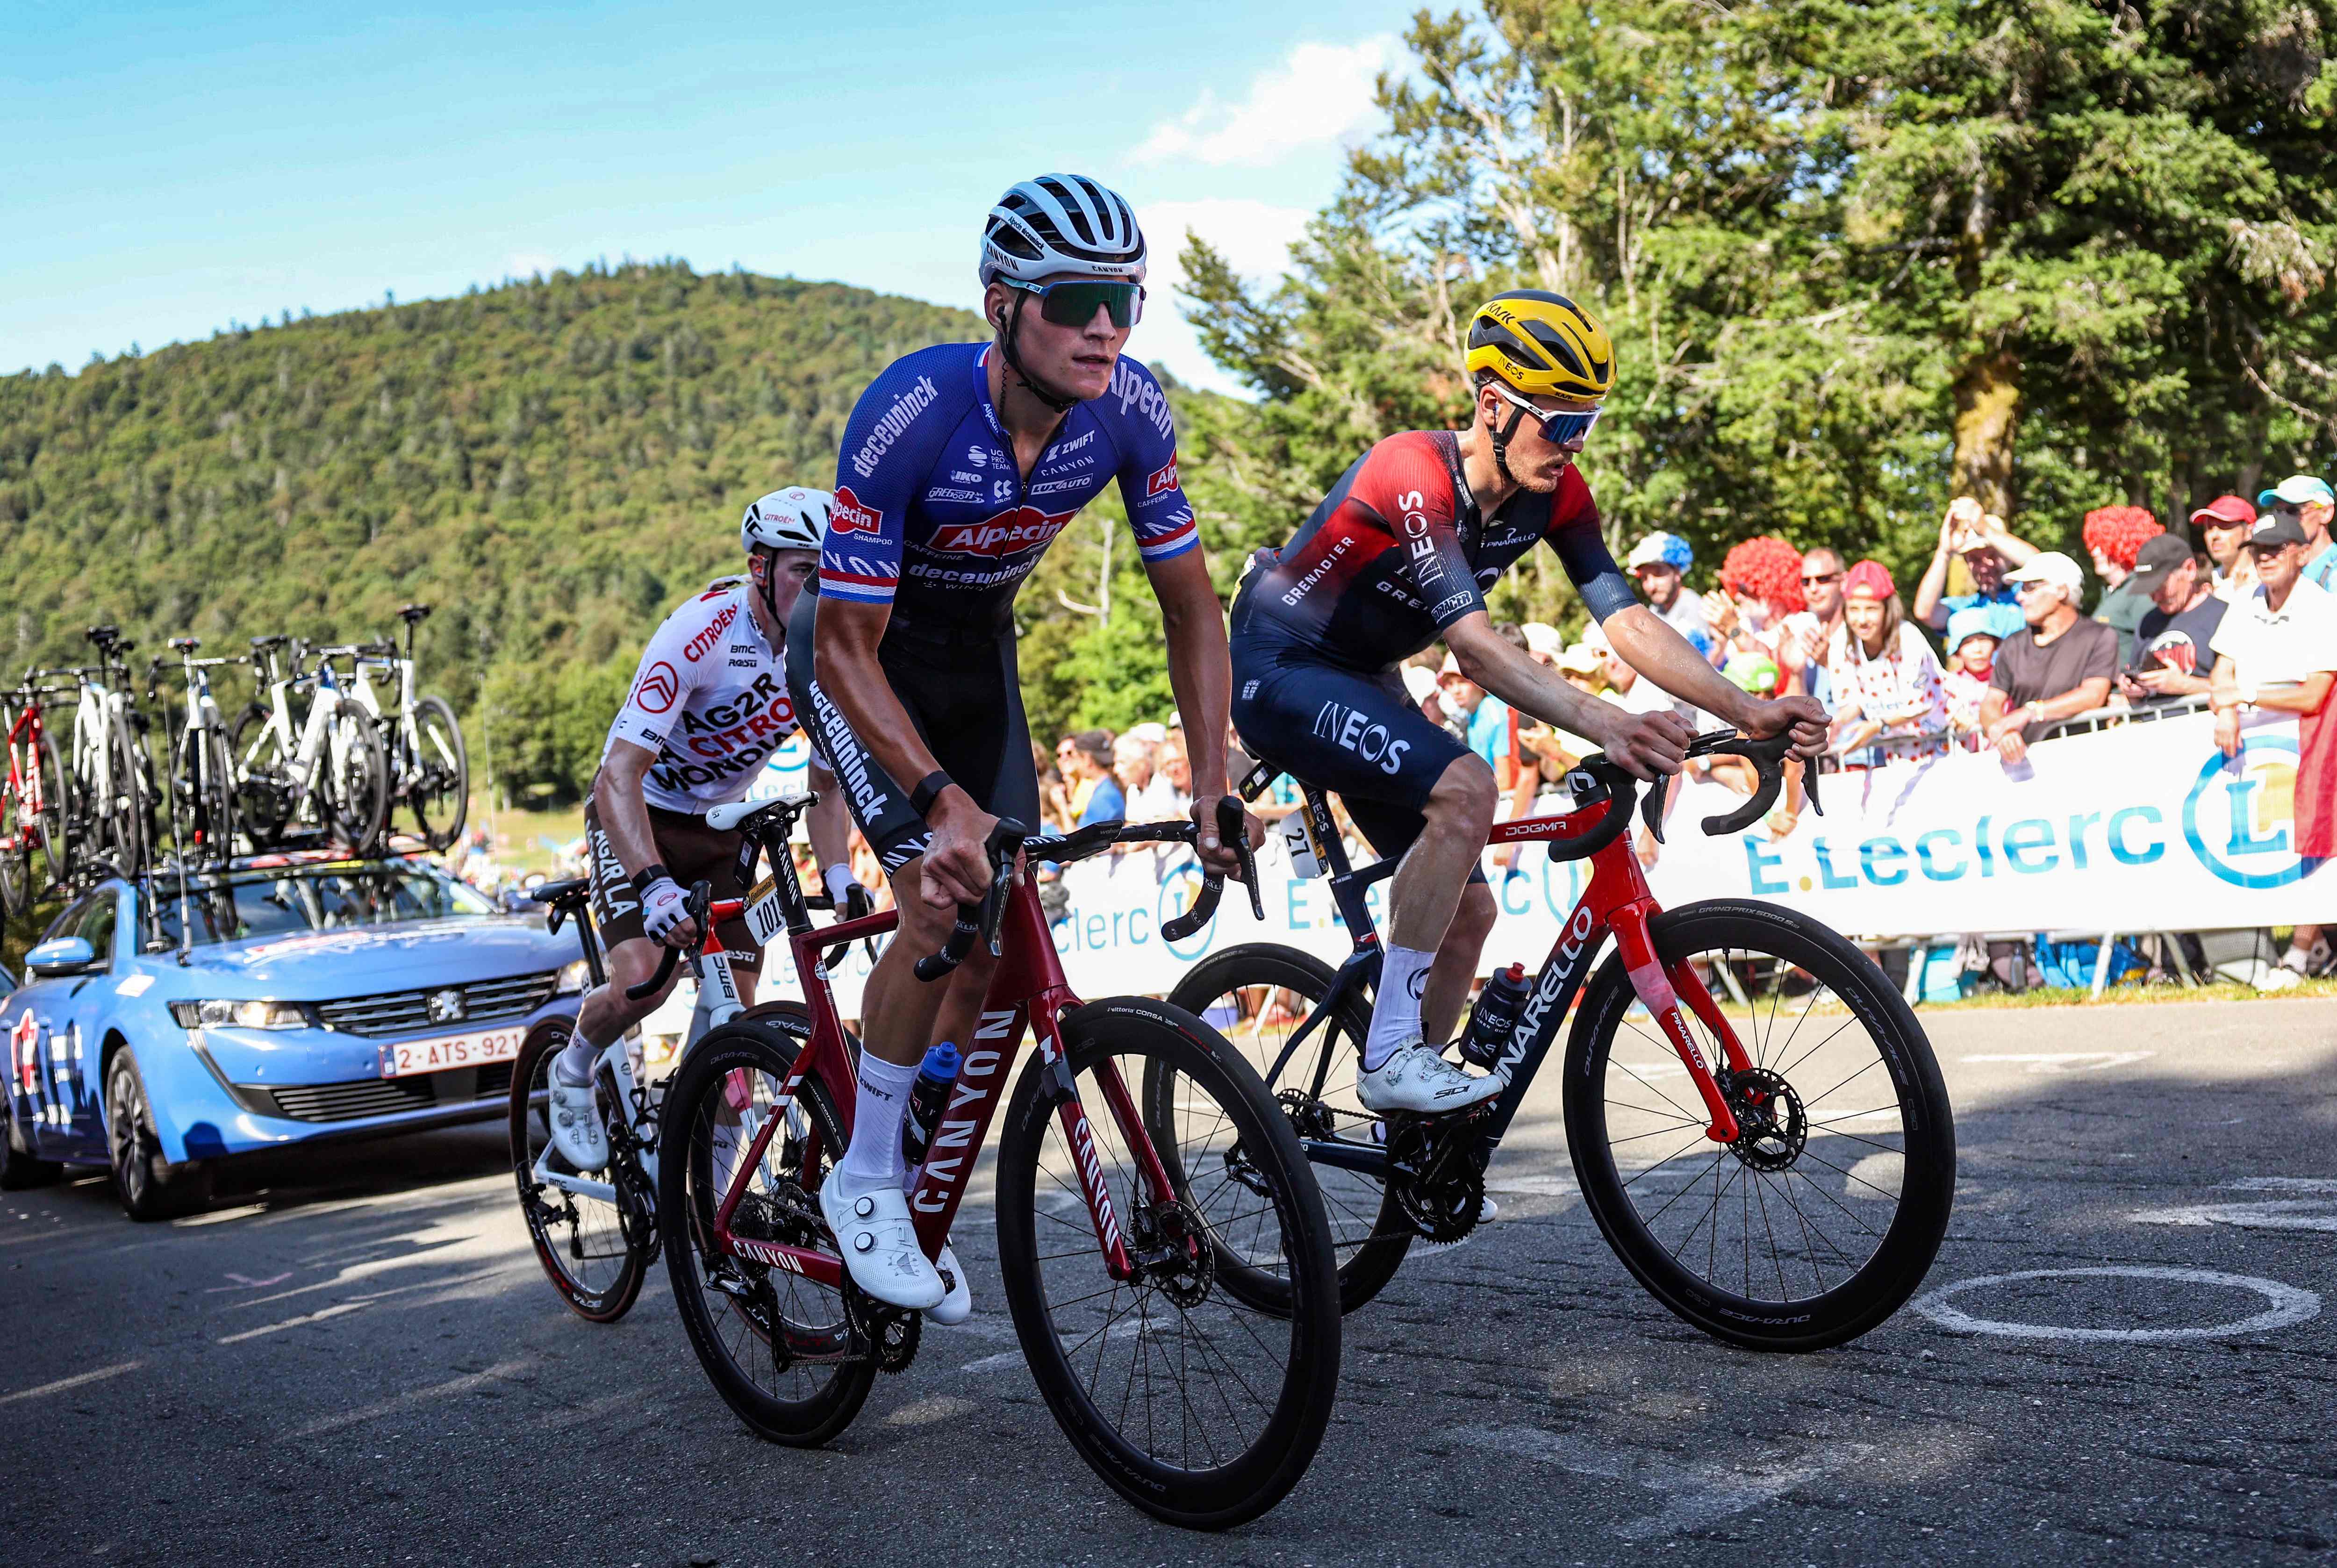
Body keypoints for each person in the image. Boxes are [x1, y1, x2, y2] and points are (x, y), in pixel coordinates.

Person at [785, 173, 1253, 1314]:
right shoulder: (913, 411)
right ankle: (865, 1175)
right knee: (937, 896)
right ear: (1002, 304)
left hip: (976, 654)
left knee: (1000, 927)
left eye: (1127, 300)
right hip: (861, 658)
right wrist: (935, 800)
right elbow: (845, 649)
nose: (1105, 324)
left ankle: (914, 1095)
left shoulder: (1132, 412)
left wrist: (1210, 777)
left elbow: (1191, 608)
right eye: (1077, 297)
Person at [1227, 289, 1824, 1114]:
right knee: (1469, 786)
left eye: (1588, 422)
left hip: (1367, 674)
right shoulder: (1410, 470)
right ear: (1494, 407)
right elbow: (1471, 647)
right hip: (1280, 665)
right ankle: (1390, 1054)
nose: (1575, 443)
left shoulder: (1558, 493)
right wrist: (1606, 720)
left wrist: (1749, 707)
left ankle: (1416, 1133)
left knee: (1470, 916)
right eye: (1560, 422)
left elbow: (1626, 619)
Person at [548, 487, 857, 1170]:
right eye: (804, 570)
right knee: (645, 980)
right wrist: (653, 886)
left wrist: (839, 875)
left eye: (828, 571)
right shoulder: (701, 632)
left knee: (736, 1012)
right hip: (643, 814)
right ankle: (571, 1070)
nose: (818, 587)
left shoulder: (825, 647)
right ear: (759, 567)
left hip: (723, 826)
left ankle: (707, 1169)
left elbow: (827, 780)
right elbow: (617, 776)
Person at [2209, 508, 2337, 988]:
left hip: (2316, 742)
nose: (2264, 558)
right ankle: (2288, 949)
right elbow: (2220, 673)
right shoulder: (2243, 602)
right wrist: (2224, 708)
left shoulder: (2322, 608)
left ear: (2300, 554)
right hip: (2259, 747)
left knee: (2319, 843)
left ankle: (2299, 955)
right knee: (2273, 848)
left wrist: (2241, 696)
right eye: (2257, 550)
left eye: (2276, 549)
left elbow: (2312, 695)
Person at [1979, 551, 2119, 764]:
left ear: (2062, 591)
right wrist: (2002, 731)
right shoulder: (2013, 645)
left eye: (2031, 587)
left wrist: (2031, 712)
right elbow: (1991, 703)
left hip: (2085, 762)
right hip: (2025, 767)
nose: (2020, 596)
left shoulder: (2099, 636)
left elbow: (2093, 695)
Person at [1825, 560, 1947, 766]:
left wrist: (1878, 725)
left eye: (1871, 609)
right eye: (1854, 609)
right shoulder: (1840, 643)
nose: (1862, 619)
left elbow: (1921, 704)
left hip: (1942, 738)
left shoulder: (1909, 639)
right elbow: (1854, 701)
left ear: (1888, 608)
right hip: (1897, 747)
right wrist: (1836, 723)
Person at [2118, 534, 2225, 705]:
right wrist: (2133, 690)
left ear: (2190, 570)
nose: (2155, 597)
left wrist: (2185, 685)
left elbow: (2241, 687)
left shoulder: (2224, 616)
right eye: (2149, 589)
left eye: (2161, 586)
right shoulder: (2148, 623)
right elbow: (2136, 696)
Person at [1913, 496, 2039, 631]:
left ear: (2008, 558)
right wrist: (1944, 552)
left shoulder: (2028, 596)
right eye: (1975, 560)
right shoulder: (1966, 607)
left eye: (1992, 556)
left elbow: (2042, 564)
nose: (1984, 568)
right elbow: (1925, 612)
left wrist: (1986, 530)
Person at [2081, 505, 2164, 666]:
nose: (2094, 552)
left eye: (2103, 545)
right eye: (2094, 544)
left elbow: (2155, 647)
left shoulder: (2141, 593)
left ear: (2124, 546)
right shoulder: (2111, 593)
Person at [1625, 532, 1717, 659]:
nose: (1651, 586)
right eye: (1645, 578)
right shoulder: (1657, 608)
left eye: (1658, 574)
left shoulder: (1694, 608)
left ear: (1677, 573)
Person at [1941, 604, 2019, 750]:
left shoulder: (2011, 678)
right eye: (1968, 643)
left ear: (1995, 644)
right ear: (1957, 651)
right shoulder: (1947, 685)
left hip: (2007, 758)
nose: (1977, 650)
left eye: (1983, 639)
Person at [2257, 475, 2337, 592]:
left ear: (2326, 513)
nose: (2284, 521)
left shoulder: (2333, 572)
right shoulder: (2275, 567)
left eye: (2293, 511)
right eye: (2279, 513)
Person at [2193, 494, 2261, 601]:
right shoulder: (2203, 585)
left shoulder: (2266, 580)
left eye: (2224, 525)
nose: (2215, 535)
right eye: (2209, 527)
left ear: (2249, 532)